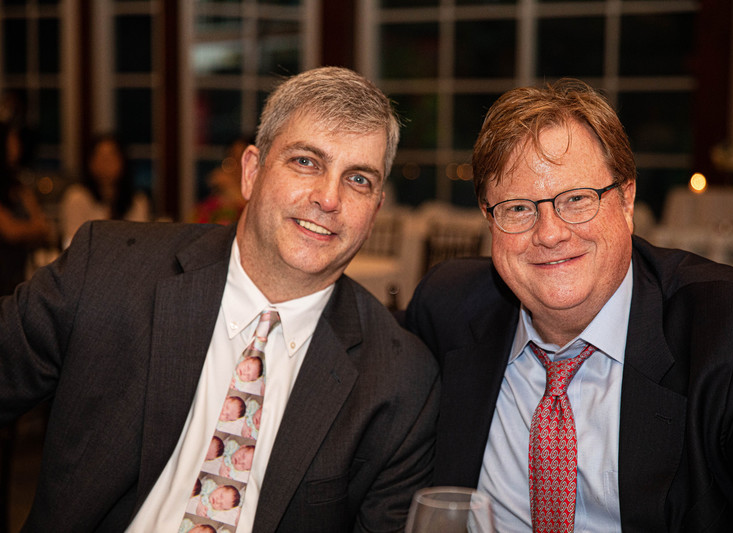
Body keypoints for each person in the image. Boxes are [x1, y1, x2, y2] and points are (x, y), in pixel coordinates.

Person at [0, 66, 439, 532]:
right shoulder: (108, 271)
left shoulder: (399, 381)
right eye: (306, 161)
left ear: (376, 208)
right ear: (251, 172)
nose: (328, 198)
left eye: (358, 180)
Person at [405, 78, 733, 531]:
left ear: (626, 201)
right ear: (488, 220)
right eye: (518, 208)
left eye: (577, 199)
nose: (549, 233)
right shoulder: (448, 307)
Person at [58, 132, 150, 248]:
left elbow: (141, 241)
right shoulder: (77, 197)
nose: (106, 164)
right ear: (90, 163)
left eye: (111, 157)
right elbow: (71, 241)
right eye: (100, 158)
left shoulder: (137, 200)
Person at [0, 121, 51, 296]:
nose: (18, 146)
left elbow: (44, 228)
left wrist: (28, 229)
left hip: (18, 276)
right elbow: (11, 231)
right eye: (12, 140)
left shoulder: (18, 186)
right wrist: (31, 229)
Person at [192, 136, 251, 225]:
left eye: (240, 160)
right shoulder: (217, 200)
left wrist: (234, 192)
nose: (234, 167)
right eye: (231, 159)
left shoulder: (258, 195)